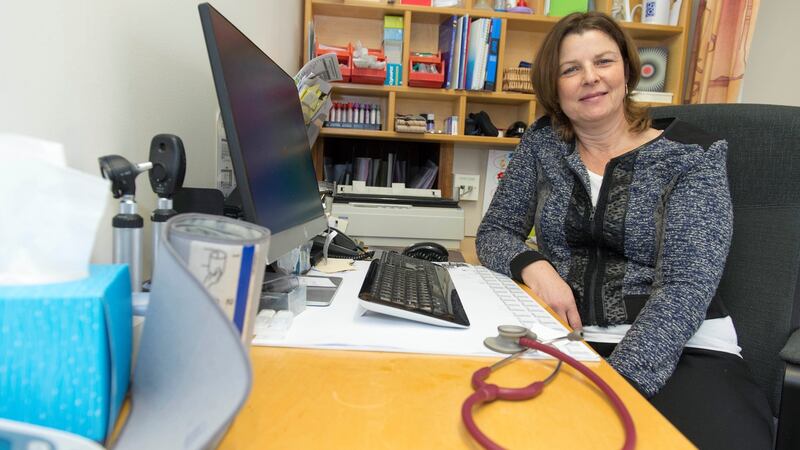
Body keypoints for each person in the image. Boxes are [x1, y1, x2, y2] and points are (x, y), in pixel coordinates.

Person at [476, 11, 773, 449]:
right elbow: (495, 232)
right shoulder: (542, 144)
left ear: (628, 70)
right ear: (554, 87)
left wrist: (614, 385)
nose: (590, 78)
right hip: (567, 339)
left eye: (604, 62)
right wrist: (536, 268)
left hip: (685, 345)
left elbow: (686, 286)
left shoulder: (692, 156)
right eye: (570, 69)